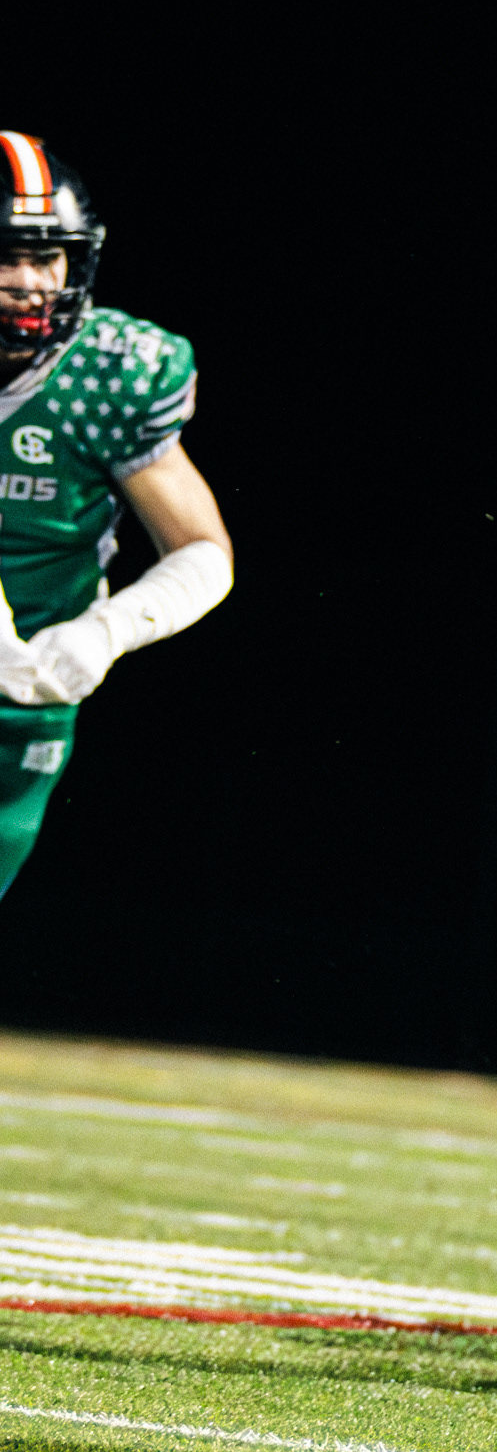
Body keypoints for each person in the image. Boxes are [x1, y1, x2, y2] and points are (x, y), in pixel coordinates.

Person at [0, 132, 233, 900]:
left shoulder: (111, 371)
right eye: (6, 256)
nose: (31, 283)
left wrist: (103, 632)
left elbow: (201, 550)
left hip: (23, 693)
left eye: (48, 257)